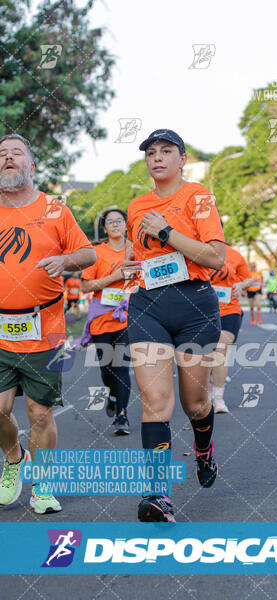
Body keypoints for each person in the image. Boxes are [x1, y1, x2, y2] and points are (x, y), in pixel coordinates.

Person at [123, 129, 225, 522]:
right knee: (155, 403)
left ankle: (203, 451)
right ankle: (157, 494)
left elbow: (214, 258)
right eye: (150, 152)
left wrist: (166, 231)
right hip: (149, 305)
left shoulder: (197, 195)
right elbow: (140, 253)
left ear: (182, 159)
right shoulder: (137, 205)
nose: (157, 158)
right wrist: (131, 267)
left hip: (194, 305)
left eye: (166, 151)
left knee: (196, 404)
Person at [0, 134, 95, 513]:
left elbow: (88, 252)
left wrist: (66, 261)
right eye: (1, 155)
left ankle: (43, 485)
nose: (8, 159)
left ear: (32, 165)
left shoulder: (55, 209)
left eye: (16, 153)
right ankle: (13, 459)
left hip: (47, 325)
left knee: (40, 412)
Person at [81, 209, 133, 435]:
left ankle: (122, 416)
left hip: (128, 317)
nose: (115, 225)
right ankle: (112, 394)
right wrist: (116, 276)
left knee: (121, 367)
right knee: (107, 369)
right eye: (110, 222)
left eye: (119, 221)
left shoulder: (136, 250)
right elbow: (85, 286)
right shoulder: (96, 253)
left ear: (125, 225)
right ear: (104, 228)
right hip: (102, 318)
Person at [210, 244, 254, 413]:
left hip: (229, 310)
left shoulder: (234, 255)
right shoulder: (194, 251)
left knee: (219, 352)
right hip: (202, 311)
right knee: (205, 355)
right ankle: (206, 393)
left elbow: (249, 280)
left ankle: (218, 398)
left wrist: (242, 285)